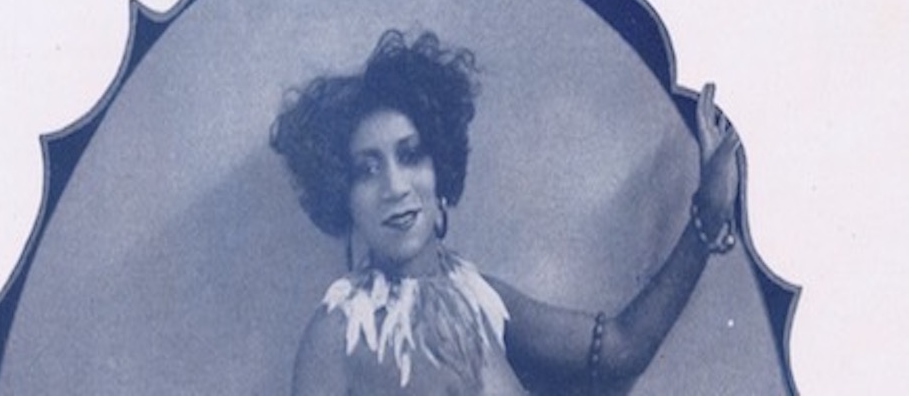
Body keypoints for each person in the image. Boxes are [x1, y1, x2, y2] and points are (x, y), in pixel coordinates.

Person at [269, 29, 740, 395]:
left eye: (410, 156)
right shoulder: (334, 337)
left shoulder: (481, 297)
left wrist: (710, 213)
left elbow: (621, 348)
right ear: (342, 195)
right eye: (367, 170)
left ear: (440, 170)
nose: (394, 187)